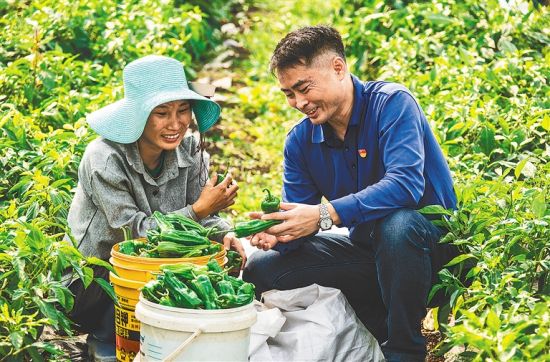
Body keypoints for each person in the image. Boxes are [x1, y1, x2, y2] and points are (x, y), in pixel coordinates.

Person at [243, 25, 460, 362]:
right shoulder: (300, 142)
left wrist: (323, 216)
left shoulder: (392, 104)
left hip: (434, 256)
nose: (299, 103)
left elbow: (405, 185)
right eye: (288, 94)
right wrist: (280, 234)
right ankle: (375, 327)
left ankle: (405, 351)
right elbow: (302, 227)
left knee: (397, 226)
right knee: (263, 269)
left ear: (338, 68)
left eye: (304, 88)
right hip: (369, 254)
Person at [66, 55, 246, 353]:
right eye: (161, 113)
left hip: (159, 271)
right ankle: (107, 336)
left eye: (183, 110)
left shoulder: (190, 151)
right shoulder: (104, 158)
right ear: (138, 115)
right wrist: (201, 209)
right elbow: (134, 233)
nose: (176, 124)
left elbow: (201, 218)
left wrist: (223, 233)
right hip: (97, 283)